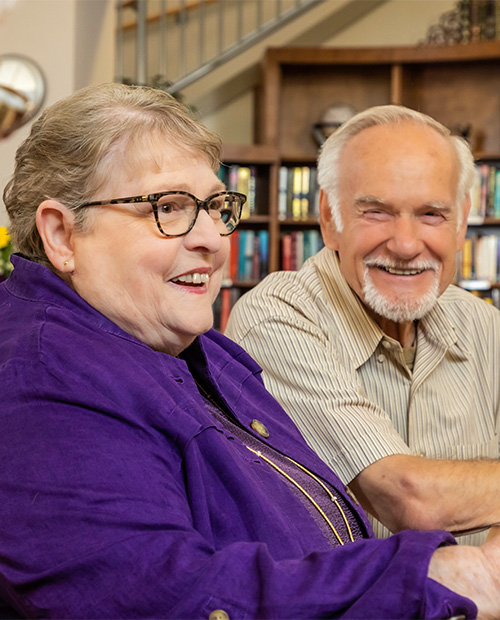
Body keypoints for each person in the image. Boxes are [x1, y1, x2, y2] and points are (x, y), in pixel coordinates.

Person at [0, 84, 498, 620]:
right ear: (60, 234)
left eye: (216, 207)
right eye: (168, 207)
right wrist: (457, 576)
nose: (213, 239)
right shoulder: (41, 375)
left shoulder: (205, 352)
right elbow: (165, 598)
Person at [226, 104, 500, 546]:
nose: (407, 245)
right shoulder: (276, 317)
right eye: (377, 212)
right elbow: (408, 499)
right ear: (330, 218)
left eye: (432, 213)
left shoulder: (487, 328)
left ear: (461, 221)